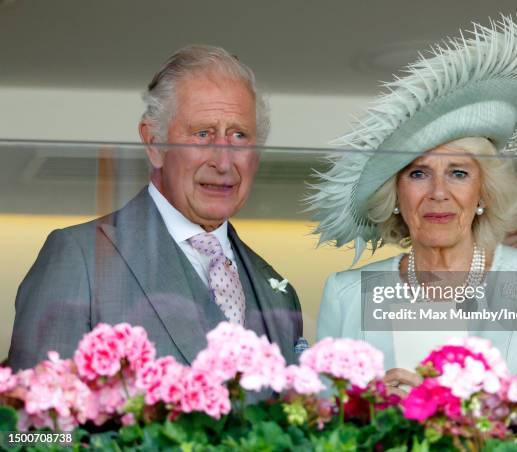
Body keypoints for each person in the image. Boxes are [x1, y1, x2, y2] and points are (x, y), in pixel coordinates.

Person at [309, 17, 517, 395]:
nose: (438, 193)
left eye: (458, 173)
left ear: (483, 192)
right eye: (417, 174)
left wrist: (464, 410)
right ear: (395, 195)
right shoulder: (346, 294)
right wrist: (374, 409)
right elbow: (323, 423)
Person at [8, 45, 303, 371]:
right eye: (203, 133)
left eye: (239, 135)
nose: (223, 161)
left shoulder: (277, 289)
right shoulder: (81, 258)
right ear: (154, 144)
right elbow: (33, 418)